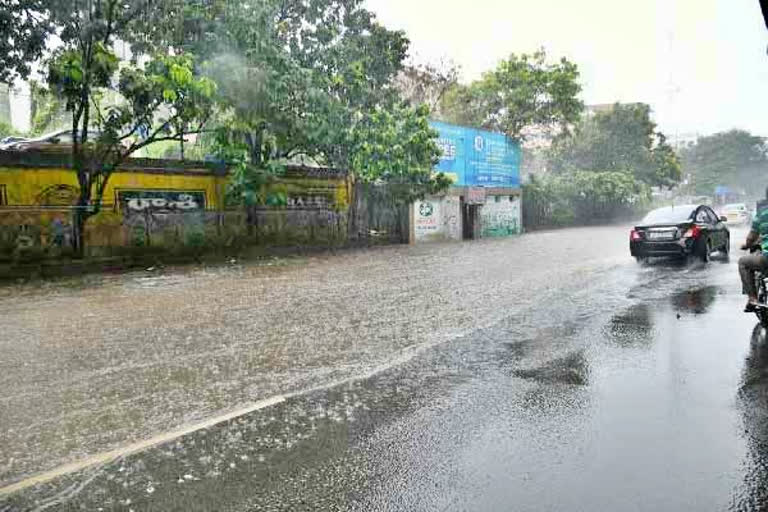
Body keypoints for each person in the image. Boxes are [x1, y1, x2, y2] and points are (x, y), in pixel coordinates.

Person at [740, 187, 768, 311]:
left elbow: (751, 238)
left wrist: (747, 245)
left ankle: (752, 298)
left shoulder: (762, 213)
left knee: (743, 262)